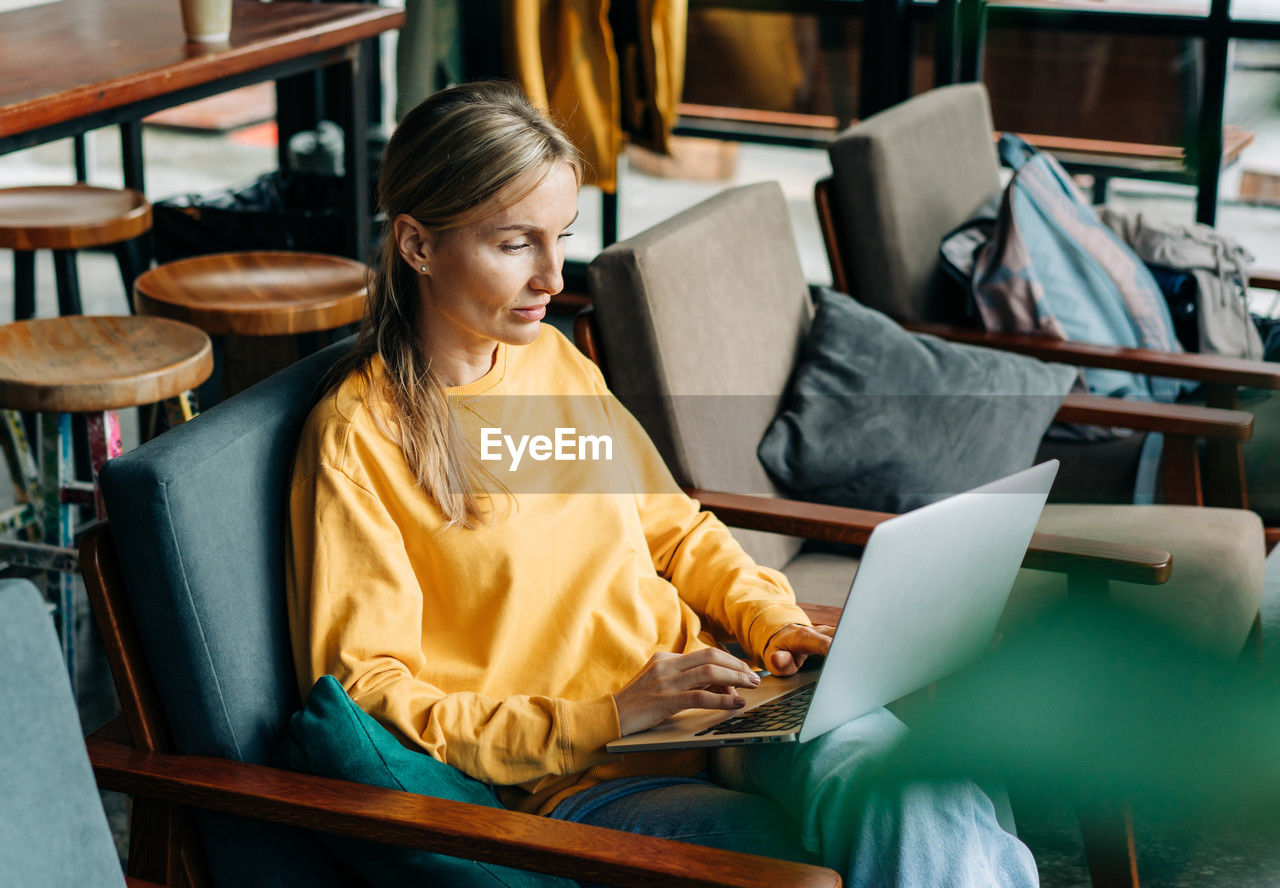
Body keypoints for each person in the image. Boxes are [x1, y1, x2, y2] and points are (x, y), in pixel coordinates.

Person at [286, 79, 1039, 888]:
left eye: (561, 236)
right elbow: (373, 694)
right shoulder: (359, 438)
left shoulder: (553, 363)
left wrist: (772, 623)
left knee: (912, 789)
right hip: (593, 781)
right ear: (418, 244)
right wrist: (606, 716)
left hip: (728, 711)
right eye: (515, 244)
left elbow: (676, 528)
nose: (551, 276)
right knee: (842, 858)